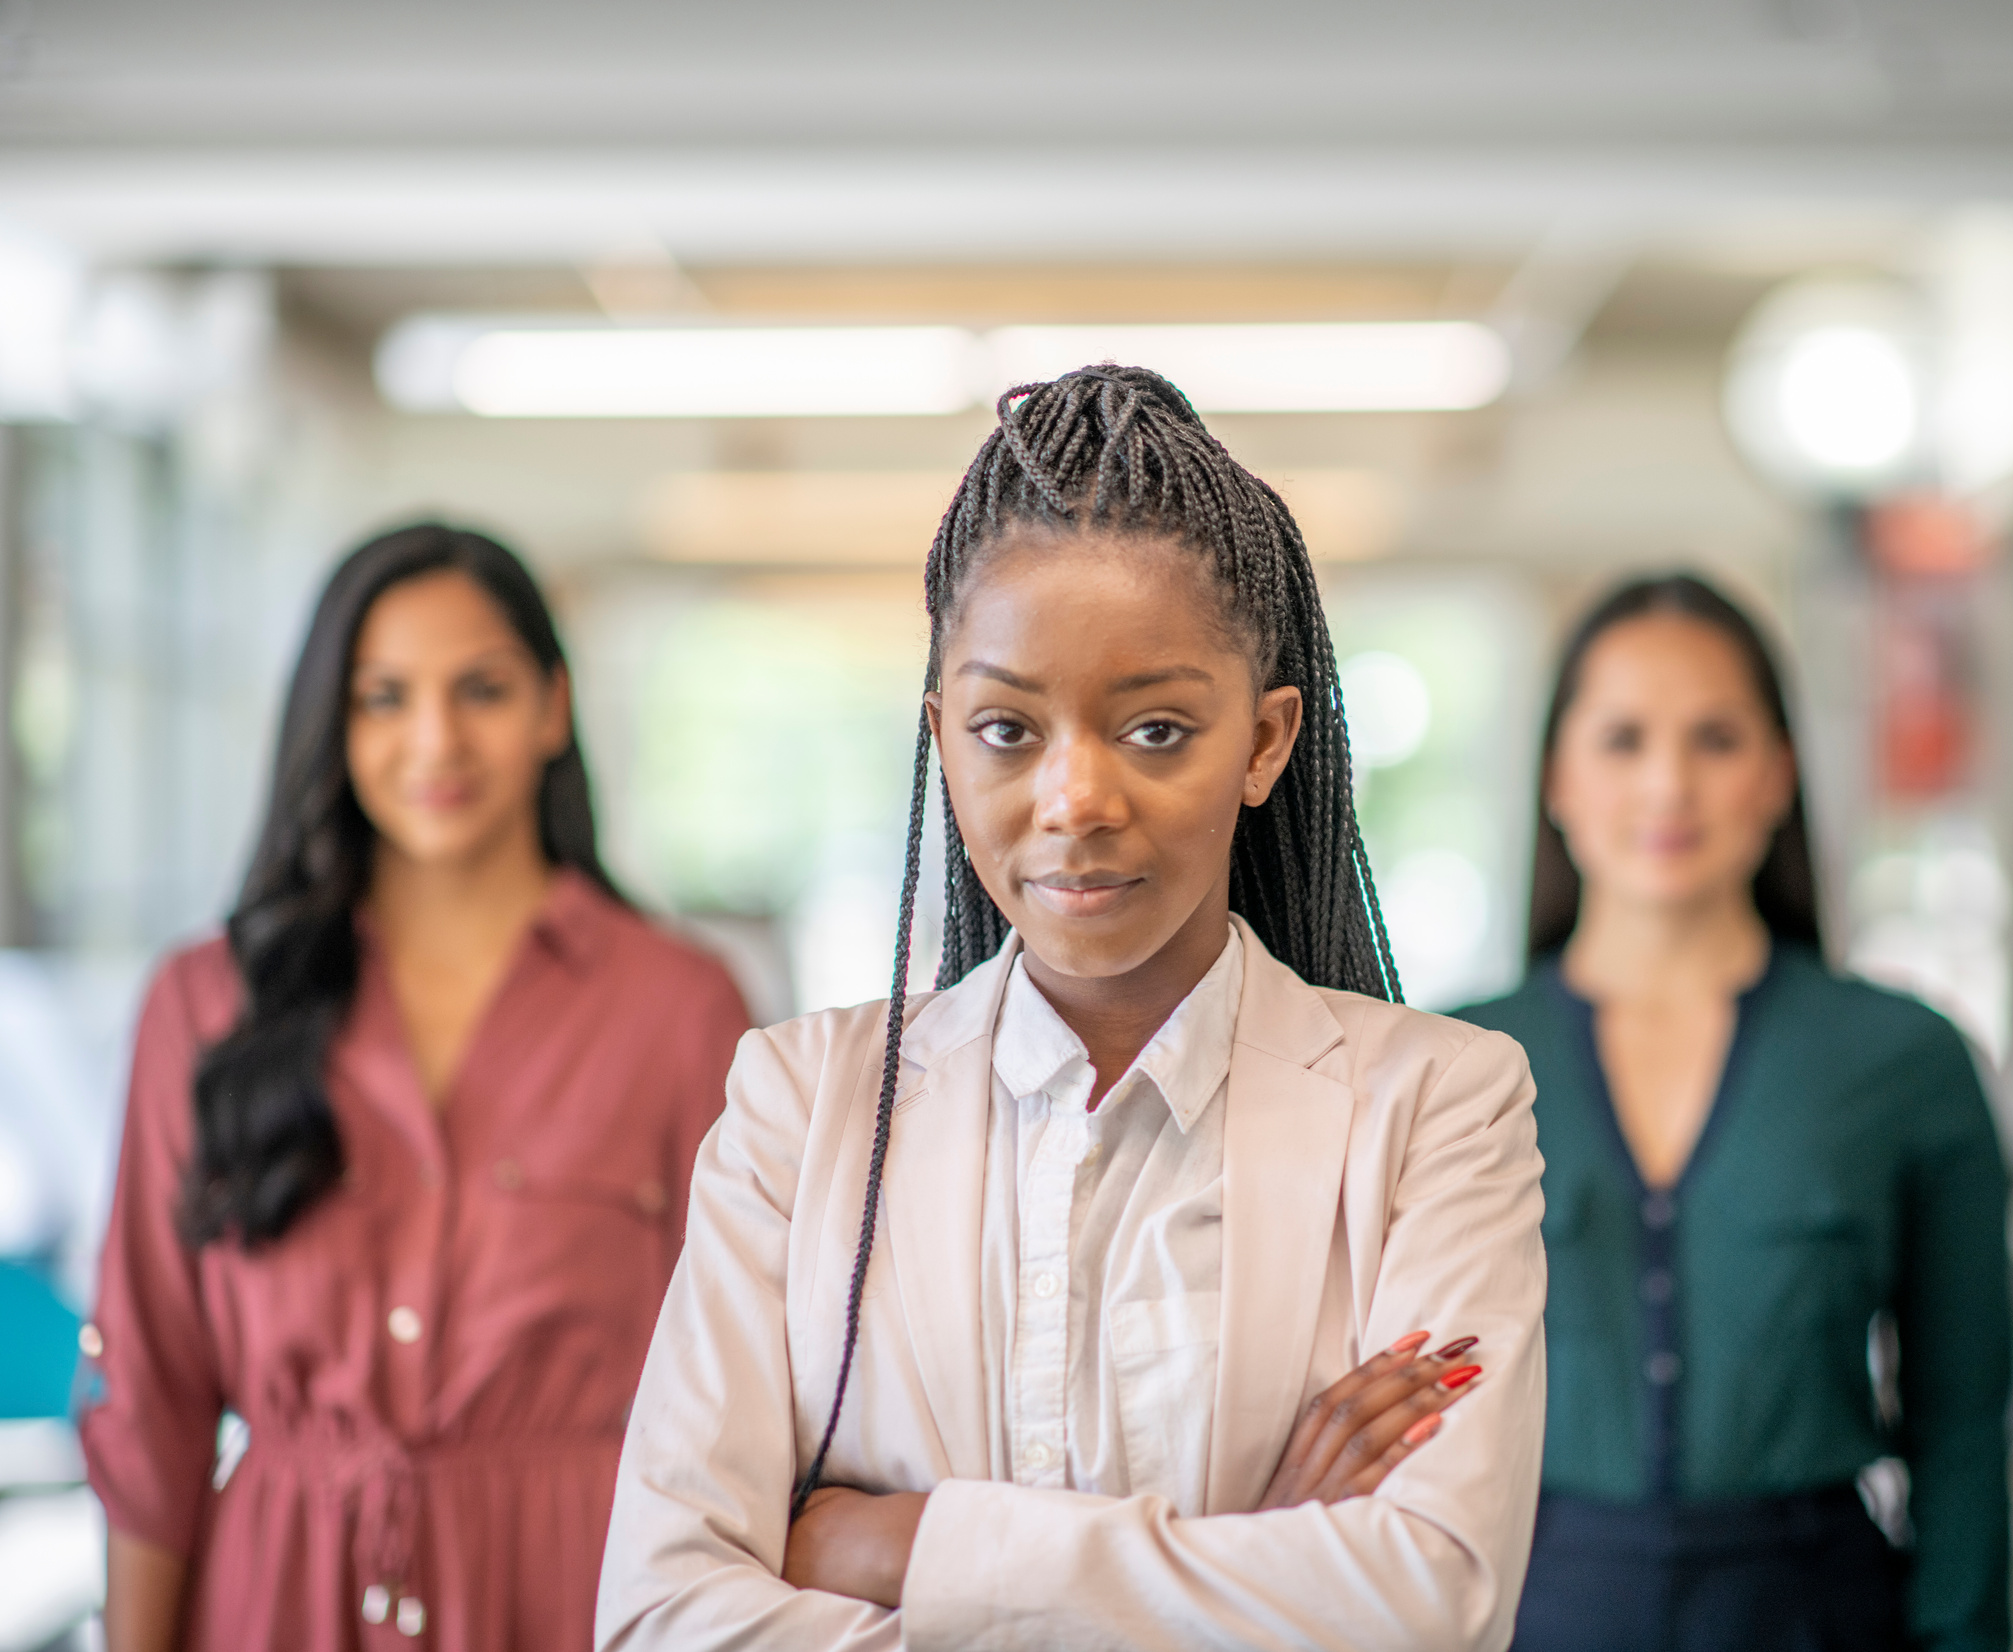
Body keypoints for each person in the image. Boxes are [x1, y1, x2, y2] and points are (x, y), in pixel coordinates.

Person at [597, 366, 1547, 1652]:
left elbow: (1431, 1598)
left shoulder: (1439, 1102)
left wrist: (896, 1545)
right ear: (941, 736)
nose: (1074, 799)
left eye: (1156, 729)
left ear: (1265, 741)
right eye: (1006, 728)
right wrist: (1254, 1559)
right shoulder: (799, 1106)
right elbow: (663, 1616)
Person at [80, 524, 753, 1652]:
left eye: (480, 688)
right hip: (275, 1600)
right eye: (383, 697)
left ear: (552, 705)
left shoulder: (681, 1009)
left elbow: (746, 1401)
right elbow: (149, 1404)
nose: (434, 738)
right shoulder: (204, 1006)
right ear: (330, 725)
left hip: (581, 1596)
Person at [1454, 575, 2012, 1652]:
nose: (1667, 783)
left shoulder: (1905, 1059)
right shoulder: (1448, 1061)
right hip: (1523, 1613)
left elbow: (1962, 1424)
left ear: (1777, 774)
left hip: (1814, 1613)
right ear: (1557, 776)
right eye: (1621, 738)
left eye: (1713, 737)